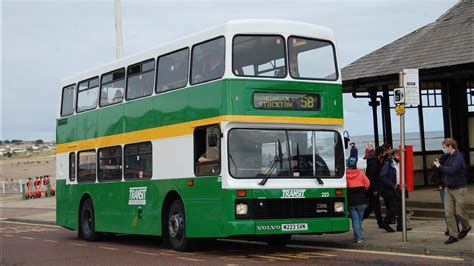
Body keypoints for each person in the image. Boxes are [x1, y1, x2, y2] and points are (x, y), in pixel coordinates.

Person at [433, 138, 471, 244]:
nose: (443, 149)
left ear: (450, 146)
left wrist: (439, 166)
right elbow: (445, 171)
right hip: (448, 189)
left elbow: (452, 170)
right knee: (449, 213)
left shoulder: (459, 157)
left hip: (459, 189)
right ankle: (453, 235)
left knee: (460, 212)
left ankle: (466, 227)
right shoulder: (448, 158)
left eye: (444, 147)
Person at [431, 153, 461, 236]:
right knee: (448, 208)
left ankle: (455, 226)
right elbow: (437, 171)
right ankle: (450, 226)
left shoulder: (458, 158)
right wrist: (439, 184)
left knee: (453, 208)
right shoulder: (444, 157)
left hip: (453, 185)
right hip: (445, 186)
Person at [346, 157, 370, 243]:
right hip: (362, 200)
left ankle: (358, 237)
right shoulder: (361, 173)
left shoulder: (345, 175)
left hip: (351, 200)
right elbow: (367, 183)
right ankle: (358, 236)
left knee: (355, 220)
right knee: (359, 220)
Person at [363, 146, 386, 228]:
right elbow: (371, 177)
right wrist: (374, 189)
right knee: (375, 206)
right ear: (381, 153)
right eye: (384, 152)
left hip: (373, 187)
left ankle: (380, 222)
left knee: (373, 206)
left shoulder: (374, 162)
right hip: (372, 188)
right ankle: (380, 222)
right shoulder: (373, 163)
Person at [378, 149, 399, 233]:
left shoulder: (397, 164)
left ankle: (386, 223)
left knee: (395, 206)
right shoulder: (388, 163)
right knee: (394, 206)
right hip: (388, 189)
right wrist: (393, 185)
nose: (399, 157)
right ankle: (385, 223)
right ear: (393, 156)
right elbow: (382, 176)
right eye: (397, 155)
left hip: (394, 188)